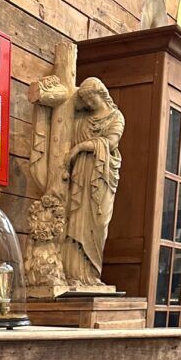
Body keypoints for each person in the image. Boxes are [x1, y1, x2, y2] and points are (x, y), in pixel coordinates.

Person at [61, 77, 124, 289]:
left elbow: (111, 142)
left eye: (91, 98)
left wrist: (79, 148)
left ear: (101, 93)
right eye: (85, 100)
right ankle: (74, 274)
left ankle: (91, 275)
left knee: (98, 223)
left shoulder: (116, 117)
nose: (88, 104)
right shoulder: (81, 120)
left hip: (102, 176)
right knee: (76, 220)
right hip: (81, 176)